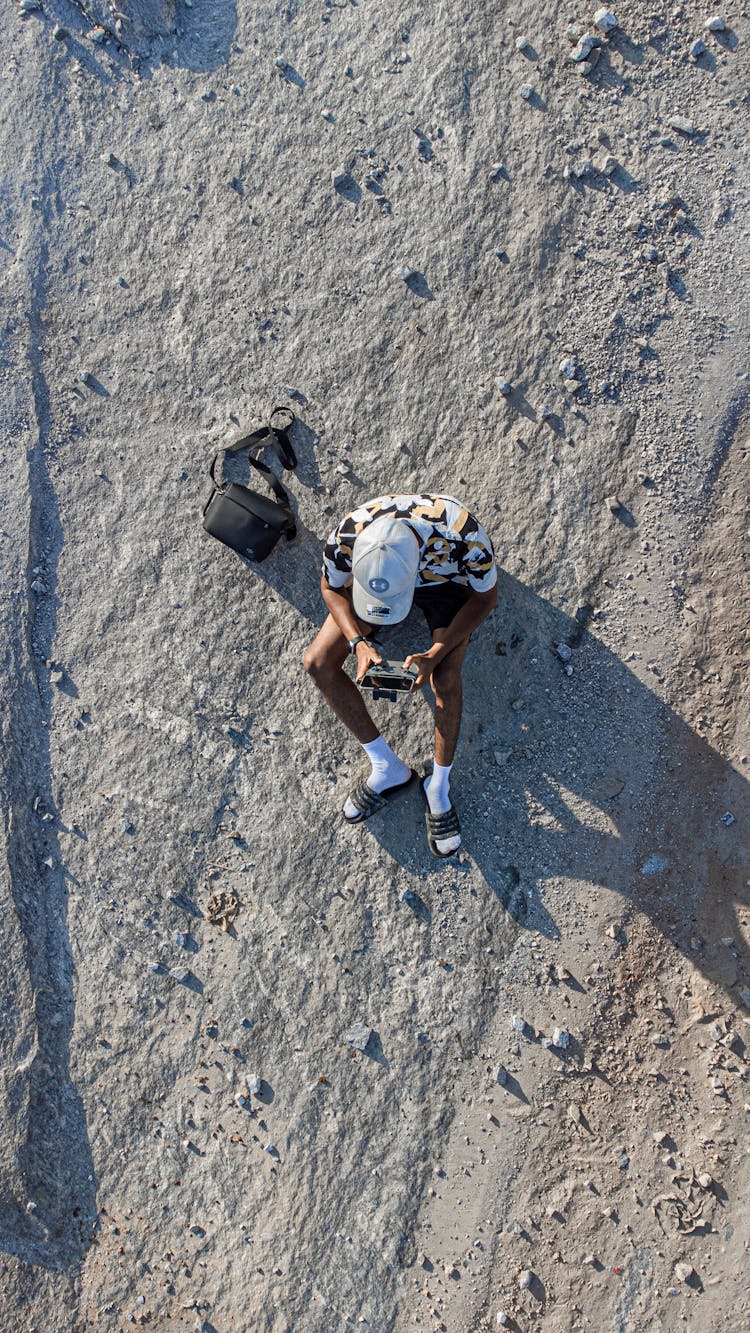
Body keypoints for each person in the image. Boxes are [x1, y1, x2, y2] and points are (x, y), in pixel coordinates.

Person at [303, 493, 497, 857]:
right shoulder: (346, 537)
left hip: (445, 587)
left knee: (448, 680)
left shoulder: (464, 536)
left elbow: (486, 599)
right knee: (316, 662)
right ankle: (386, 766)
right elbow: (330, 586)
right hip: (378, 583)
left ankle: (437, 787)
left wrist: (435, 655)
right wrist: (358, 642)